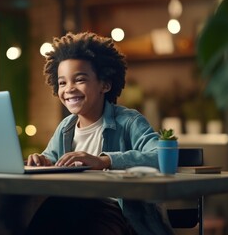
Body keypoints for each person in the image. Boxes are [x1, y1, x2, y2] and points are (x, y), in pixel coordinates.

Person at [26, 32, 173, 235]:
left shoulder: (129, 121)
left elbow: (161, 156)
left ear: (105, 84)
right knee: (53, 209)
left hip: (120, 215)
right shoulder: (65, 128)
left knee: (72, 211)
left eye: (79, 79)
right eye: (62, 82)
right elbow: (51, 159)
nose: (69, 89)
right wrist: (41, 161)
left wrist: (104, 161)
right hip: (72, 209)